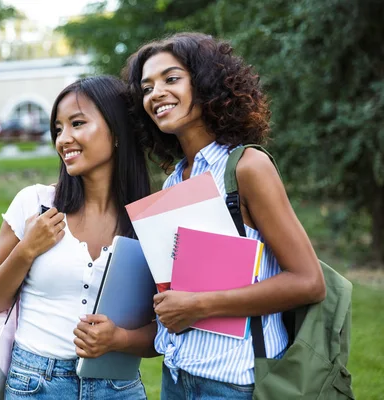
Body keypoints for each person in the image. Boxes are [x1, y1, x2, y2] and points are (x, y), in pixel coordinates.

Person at [123, 33, 327, 399]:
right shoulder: (174, 179)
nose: (156, 94)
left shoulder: (247, 167)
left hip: (235, 381)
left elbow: (308, 281)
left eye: (171, 79)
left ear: (206, 83)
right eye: (147, 87)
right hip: (177, 375)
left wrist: (198, 305)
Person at [0, 75, 156, 399]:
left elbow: (169, 329)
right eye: (58, 129)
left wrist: (120, 340)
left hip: (118, 389)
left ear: (117, 132)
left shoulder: (149, 221)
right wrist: (27, 250)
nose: (64, 139)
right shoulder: (35, 203)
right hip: (35, 385)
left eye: (77, 123)